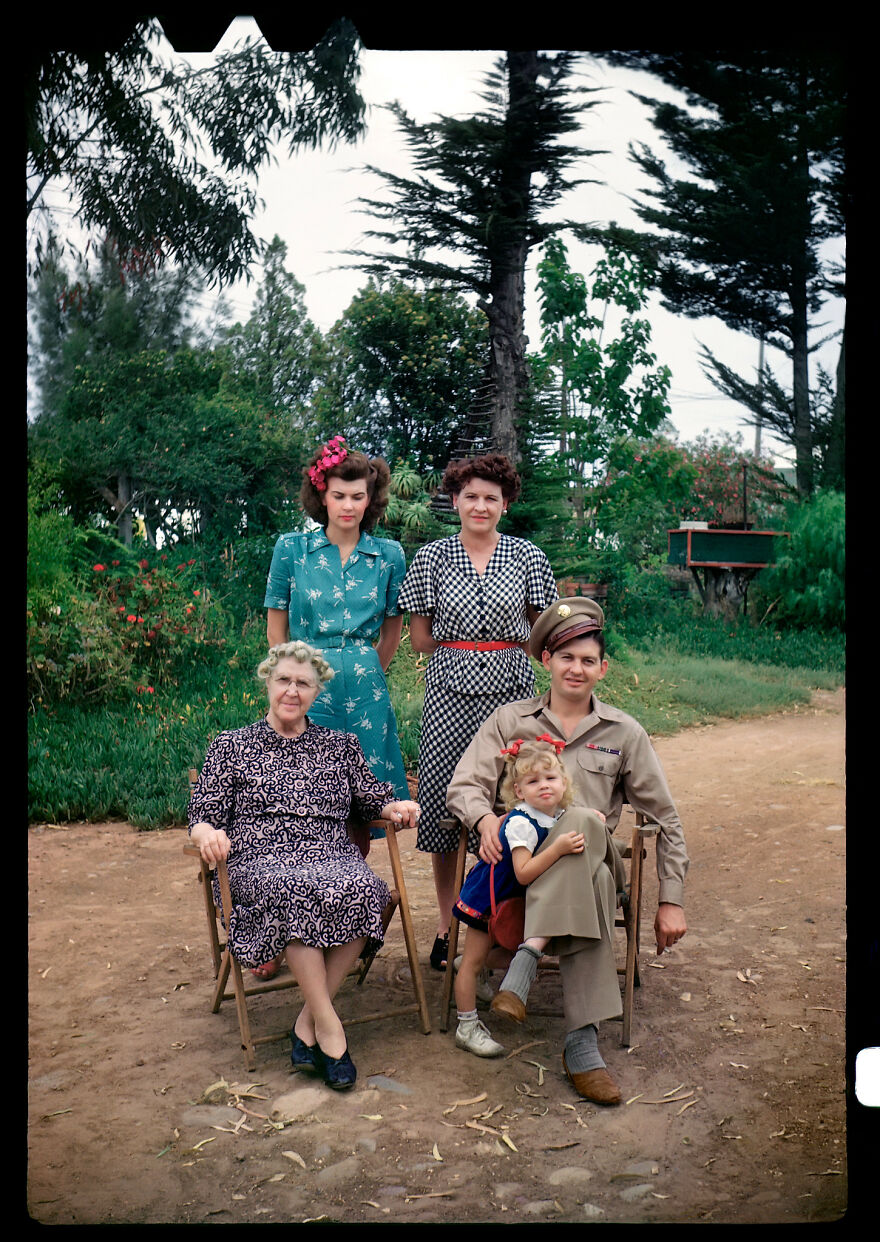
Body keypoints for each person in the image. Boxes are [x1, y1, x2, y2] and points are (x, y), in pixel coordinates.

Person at [446, 597, 689, 1106]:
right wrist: (486, 819)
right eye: (566, 657)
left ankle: (524, 965)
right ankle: (582, 1045)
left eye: (587, 660)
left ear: (603, 668)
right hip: (525, 870)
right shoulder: (510, 721)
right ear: (546, 661)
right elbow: (464, 785)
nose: (576, 668)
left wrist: (671, 898)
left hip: (598, 853)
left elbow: (664, 817)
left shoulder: (624, 732)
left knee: (581, 821)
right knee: (590, 882)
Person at [188, 641, 420, 1091]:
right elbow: (203, 815)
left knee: (367, 890)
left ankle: (307, 1022)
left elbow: (372, 799)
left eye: (303, 683)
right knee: (294, 890)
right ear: (267, 683)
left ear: (317, 692)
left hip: (330, 854)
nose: (292, 691)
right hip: (259, 861)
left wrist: (395, 808)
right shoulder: (231, 746)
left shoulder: (339, 745)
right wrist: (206, 835)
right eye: (284, 680)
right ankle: (330, 1030)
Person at [397, 453, 558, 972]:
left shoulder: (528, 556)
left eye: (491, 497)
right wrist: (464, 652)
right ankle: (448, 925)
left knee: (515, 799)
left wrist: (503, 654)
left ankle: (506, 923)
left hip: (512, 691)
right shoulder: (432, 557)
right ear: (455, 501)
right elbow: (420, 638)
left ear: (505, 504)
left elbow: (543, 632)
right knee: (448, 807)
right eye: (471, 496)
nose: (480, 506)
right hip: (449, 692)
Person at [452, 736, 608, 1059]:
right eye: (533, 781)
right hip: (490, 897)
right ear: (519, 791)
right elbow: (523, 872)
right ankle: (466, 1026)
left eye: (551, 778)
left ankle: (477, 968)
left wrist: (589, 816)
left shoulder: (555, 816)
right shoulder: (521, 823)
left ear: (564, 783)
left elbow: (565, 821)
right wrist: (559, 849)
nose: (544, 786)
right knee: (472, 962)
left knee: (511, 956)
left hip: (520, 898)